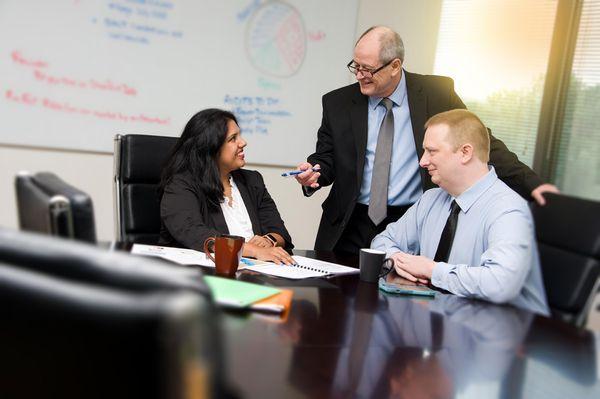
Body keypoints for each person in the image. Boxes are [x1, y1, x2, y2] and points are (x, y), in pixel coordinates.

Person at [295, 25, 558, 254]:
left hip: (413, 220)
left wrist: (531, 184)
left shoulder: (436, 94)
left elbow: (481, 142)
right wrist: (313, 172)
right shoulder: (337, 102)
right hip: (350, 221)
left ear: (395, 65)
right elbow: (326, 156)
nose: (359, 75)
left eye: (368, 69)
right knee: (335, 299)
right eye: (356, 66)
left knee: (403, 300)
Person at [371, 109, 549, 315]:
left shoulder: (507, 209)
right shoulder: (431, 199)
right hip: (446, 320)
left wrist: (431, 270)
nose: (422, 161)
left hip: (507, 333)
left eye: (432, 151)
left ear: (465, 152)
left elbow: (500, 284)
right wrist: (397, 259)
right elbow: (382, 241)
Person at [158, 108, 295, 264]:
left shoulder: (252, 180)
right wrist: (254, 251)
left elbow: (280, 232)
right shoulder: (181, 185)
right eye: (233, 139)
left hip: (256, 271)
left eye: (240, 135)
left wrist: (268, 241)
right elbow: (196, 234)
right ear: (211, 147)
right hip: (200, 275)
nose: (243, 142)